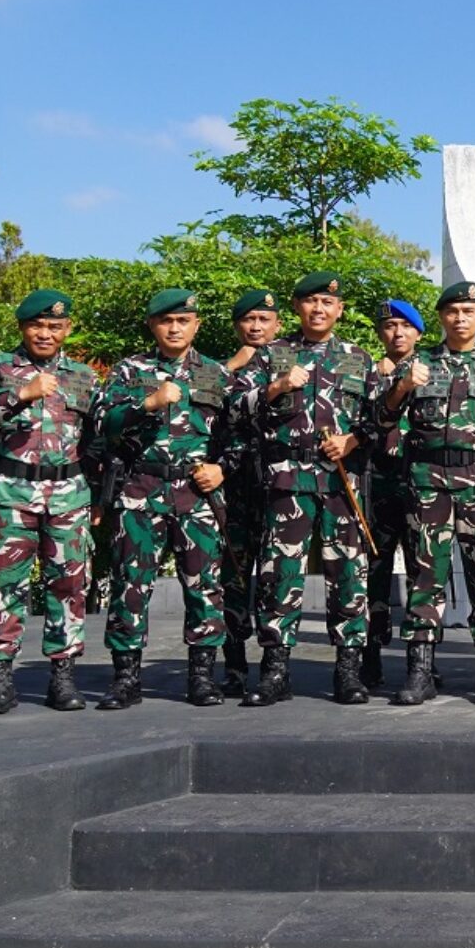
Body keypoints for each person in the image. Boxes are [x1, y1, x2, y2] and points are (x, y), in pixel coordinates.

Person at [236, 271, 383, 707]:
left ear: (339, 310)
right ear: (296, 309)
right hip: (288, 478)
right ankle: (276, 670)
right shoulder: (270, 356)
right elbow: (236, 408)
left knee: (348, 575)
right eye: (310, 302)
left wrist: (352, 441)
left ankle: (348, 672)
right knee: (280, 573)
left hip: (341, 484)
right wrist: (277, 386)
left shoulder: (359, 359)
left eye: (327, 303)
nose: (319, 309)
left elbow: (381, 419)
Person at [380, 281, 475, 705]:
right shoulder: (415, 364)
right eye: (452, 311)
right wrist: (403, 387)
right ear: (441, 318)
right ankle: (420, 672)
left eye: (469, 311)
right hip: (428, 484)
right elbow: (382, 418)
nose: (460, 318)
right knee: (426, 578)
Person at [92, 288, 234, 708]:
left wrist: (223, 466)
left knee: (204, 586)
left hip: (196, 494)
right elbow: (104, 423)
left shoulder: (215, 374)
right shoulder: (128, 371)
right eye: (165, 321)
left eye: (183, 320)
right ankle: (125, 677)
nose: (175, 328)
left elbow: (239, 435)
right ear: (152, 325)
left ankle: (203, 677)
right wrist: (147, 403)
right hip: (141, 490)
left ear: (196, 325)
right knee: (130, 585)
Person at [0, 288, 100, 714]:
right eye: (37, 325)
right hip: (11, 493)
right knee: (3, 586)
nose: (45, 333)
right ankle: (1, 678)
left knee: (70, 586)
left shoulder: (83, 376)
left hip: (69, 496)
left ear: (67, 329)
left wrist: (98, 498)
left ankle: (63, 675)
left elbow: (95, 441)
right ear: (22, 327)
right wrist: (20, 393)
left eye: (54, 326)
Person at [362, 299, 428, 693]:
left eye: (405, 326)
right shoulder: (366, 373)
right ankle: (371, 656)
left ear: (418, 333)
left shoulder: (434, 370)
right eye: (389, 327)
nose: (397, 333)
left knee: (424, 573)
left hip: (423, 482)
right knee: (375, 573)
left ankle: (421, 663)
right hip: (380, 481)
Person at [218, 289, 280, 696]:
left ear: (278, 323)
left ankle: (274, 665)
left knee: (276, 577)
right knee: (234, 577)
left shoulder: (291, 361)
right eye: (248, 319)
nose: (256, 327)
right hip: (234, 487)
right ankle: (234, 665)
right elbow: (195, 401)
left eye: (264, 319)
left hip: (279, 487)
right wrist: (230, 367)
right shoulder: (220, 367)